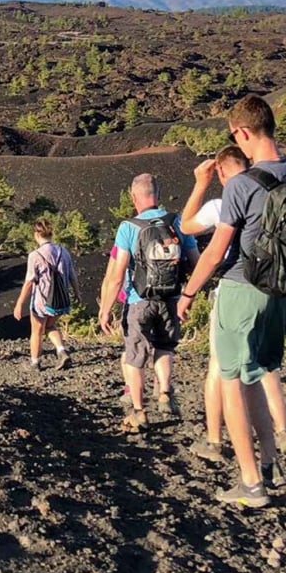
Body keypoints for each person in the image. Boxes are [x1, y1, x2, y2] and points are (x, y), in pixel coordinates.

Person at [177, 95, 286, 508]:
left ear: (242, 133)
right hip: (284, 291)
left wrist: (188, 293)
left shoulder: (243, 184)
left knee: (231, 381)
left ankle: (251, 482)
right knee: (256, 373)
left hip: (243, 287)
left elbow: (215, 251)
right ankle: (269, 464)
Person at [180, 146, 286, 463]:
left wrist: (200, 184)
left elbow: (186, 226)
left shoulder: (223, 203)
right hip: (275, 288)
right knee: (266, 367)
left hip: (236, 289)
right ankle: (283, 432)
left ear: (220, 171)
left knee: (221, 368)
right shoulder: (270, 196)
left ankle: (215, 440)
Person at [98, 173, 199, 427]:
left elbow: (117, 274)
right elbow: (197, 262)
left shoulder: (128, 227)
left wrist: (106, 309)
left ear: (134, 198)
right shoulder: (177, 221)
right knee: (165, 346)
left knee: (135, 355)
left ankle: (139, 411)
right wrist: (188, 296)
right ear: (158, 195)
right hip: (171, 298)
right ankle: (164, 393)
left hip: (138, 300)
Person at [12, 218, 76, 370]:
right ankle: (61, 351)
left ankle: (35, 362)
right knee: (50, 325)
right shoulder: (64, 252)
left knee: (37, 330)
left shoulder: (35, 255)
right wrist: (77, 293)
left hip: (42, 300)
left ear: (36, 234)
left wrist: (19, 304)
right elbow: (72, 275)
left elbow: (29, 281)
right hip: (61, 299)